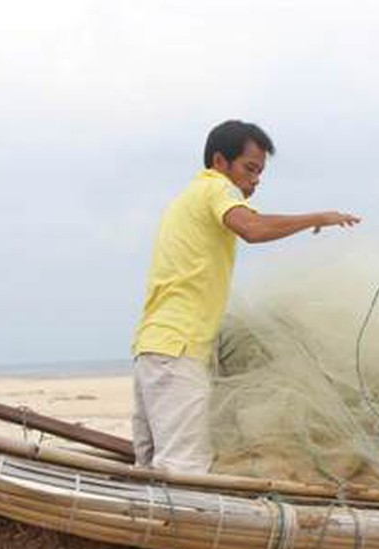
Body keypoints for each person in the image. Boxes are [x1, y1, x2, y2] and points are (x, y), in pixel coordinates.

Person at [130, 119, 361, 473]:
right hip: (179, 350)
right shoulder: (216, 189)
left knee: (149, 467)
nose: (254, 180)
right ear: (220, 162)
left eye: (260, 173)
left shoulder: (185, 200)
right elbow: (251, 228)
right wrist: (318, 217)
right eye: (249, 169)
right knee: (183, 469)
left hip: (152, 348)